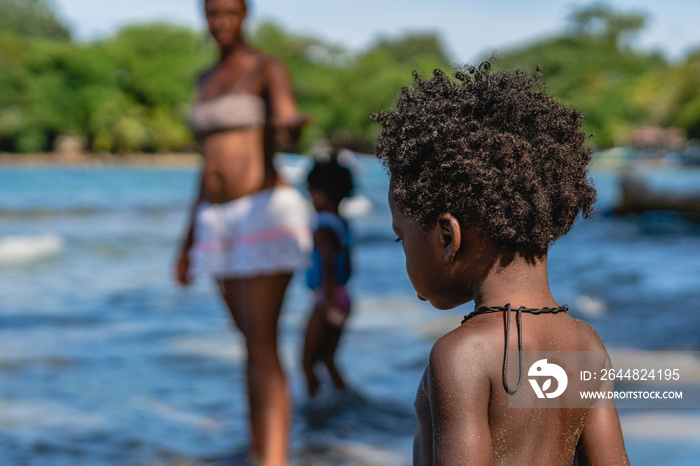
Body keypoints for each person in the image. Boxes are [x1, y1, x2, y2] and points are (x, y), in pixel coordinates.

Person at [371, 63, 629, 465]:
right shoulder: (586, 344)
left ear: (446, 236)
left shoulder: (462, 353)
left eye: (401, 237)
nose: (403, 251)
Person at [174, 0, 311, 464]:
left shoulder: (266, 68)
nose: (221, 21)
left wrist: (289, 129)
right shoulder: (204, 81)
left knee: (262, 342)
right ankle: (259, 450)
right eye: (213, 12)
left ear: (246, 14)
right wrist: (187, 239)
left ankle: (274, 458)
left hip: (263, 211)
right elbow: (205, 165)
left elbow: (287, 126)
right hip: (215, 220)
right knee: (249, 343)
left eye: (230, 11)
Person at [301, 156, 354, 398]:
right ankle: (343, 399)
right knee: (328, 358)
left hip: (328, 299)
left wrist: (329, 305)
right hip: (343, 295)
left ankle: (314, 411)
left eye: (310, 193)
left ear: (321, 194)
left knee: (307, 362)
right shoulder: (342, 224)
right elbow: (349, 268)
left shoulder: (323, 227)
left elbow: (327, 267)